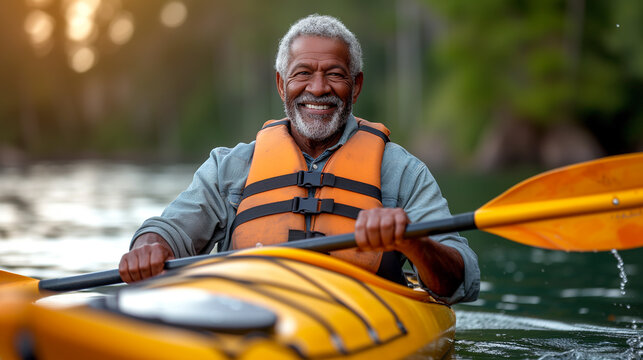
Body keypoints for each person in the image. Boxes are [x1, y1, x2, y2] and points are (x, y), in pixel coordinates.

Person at [119, 14, 479, 305]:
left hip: (361, 318)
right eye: (303, 73)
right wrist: (148, 247)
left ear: (356, 86)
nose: (318, 88)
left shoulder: (403, 173)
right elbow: (171, 231)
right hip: (245, 314)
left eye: (334, 74)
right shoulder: (229, 168)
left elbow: (460, 281)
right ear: (281, 84)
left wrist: (411, 242)